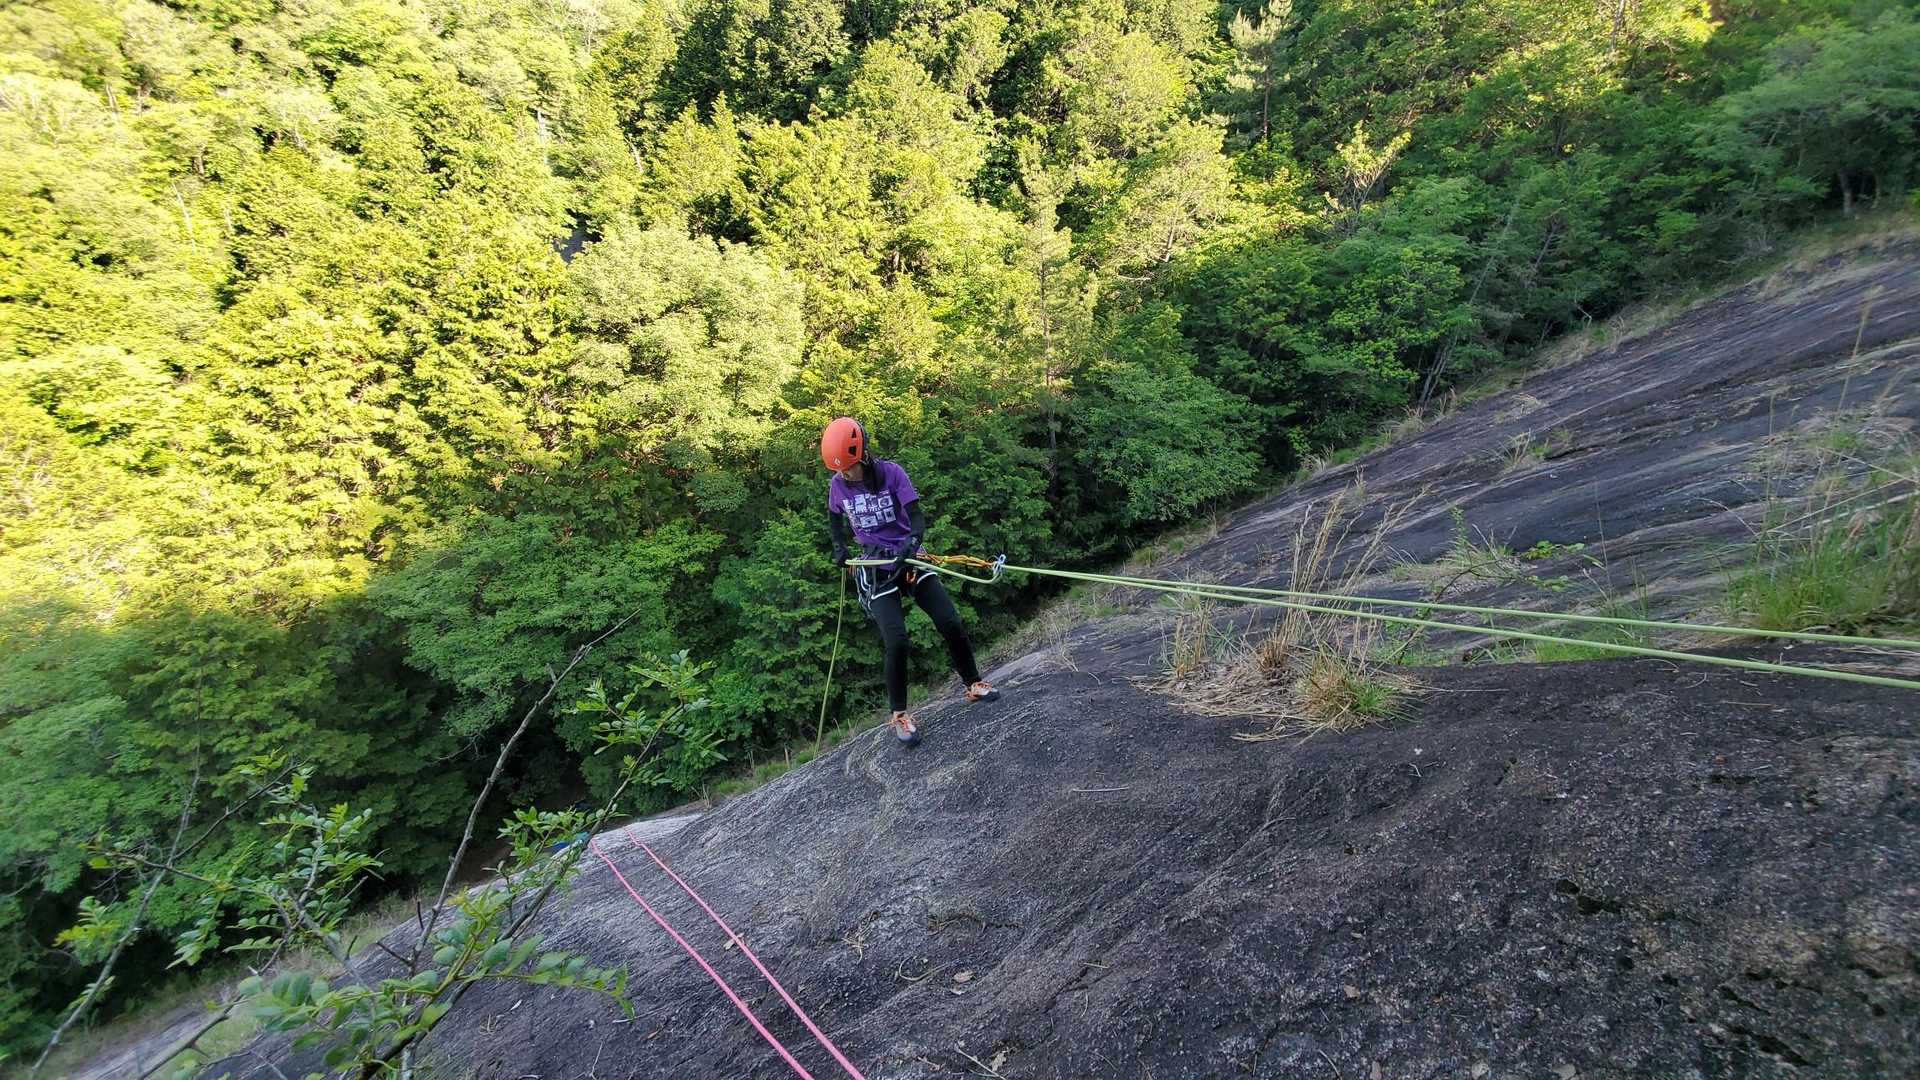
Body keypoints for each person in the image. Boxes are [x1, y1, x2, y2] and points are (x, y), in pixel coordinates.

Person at [822, 417, 998, 745]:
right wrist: (839, 546)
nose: (844, 474)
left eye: (848, 467)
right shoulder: (838, 485)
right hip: (875, 566)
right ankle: (899, 714)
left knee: (949, 620)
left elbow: (916, 516)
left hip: (910, 558)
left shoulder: (892, 473)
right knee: (897, 640)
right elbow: (834, 517)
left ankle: (973, 683)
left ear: (862, 456)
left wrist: (912, 542)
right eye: (839, 469)